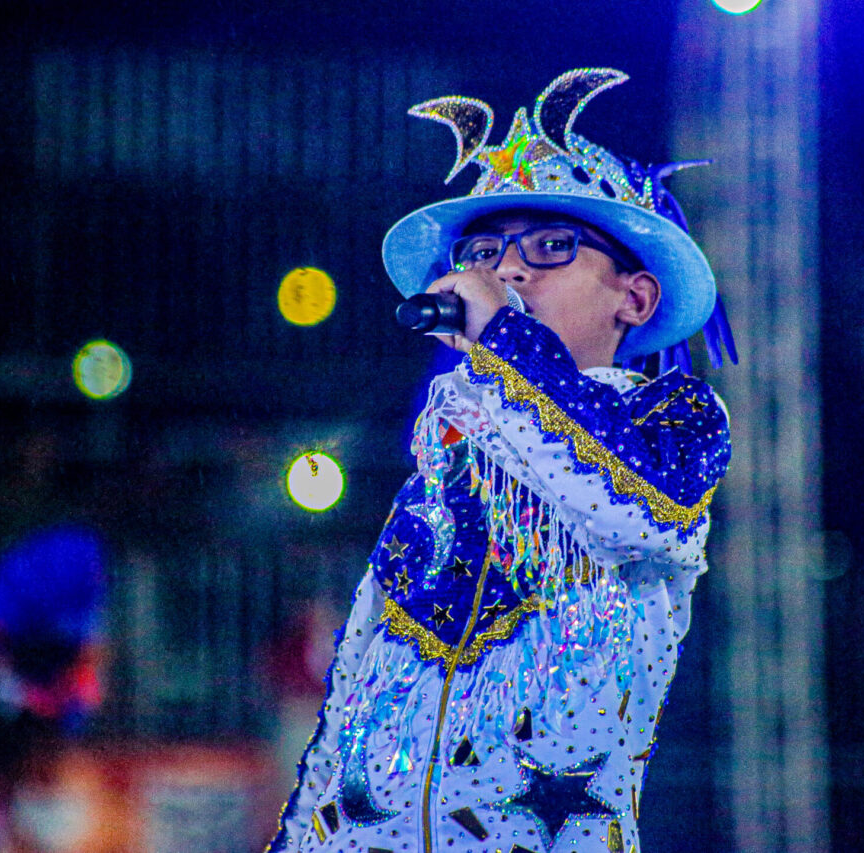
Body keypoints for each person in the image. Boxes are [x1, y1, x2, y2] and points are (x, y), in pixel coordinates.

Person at [266, 68, 734, 853]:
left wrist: (505, 338)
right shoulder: (439, 475)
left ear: (636, 299)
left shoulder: (673, 421)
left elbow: (636, 503)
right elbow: (348, 708)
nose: (507, 271)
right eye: (483, 253)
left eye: (551, 247)